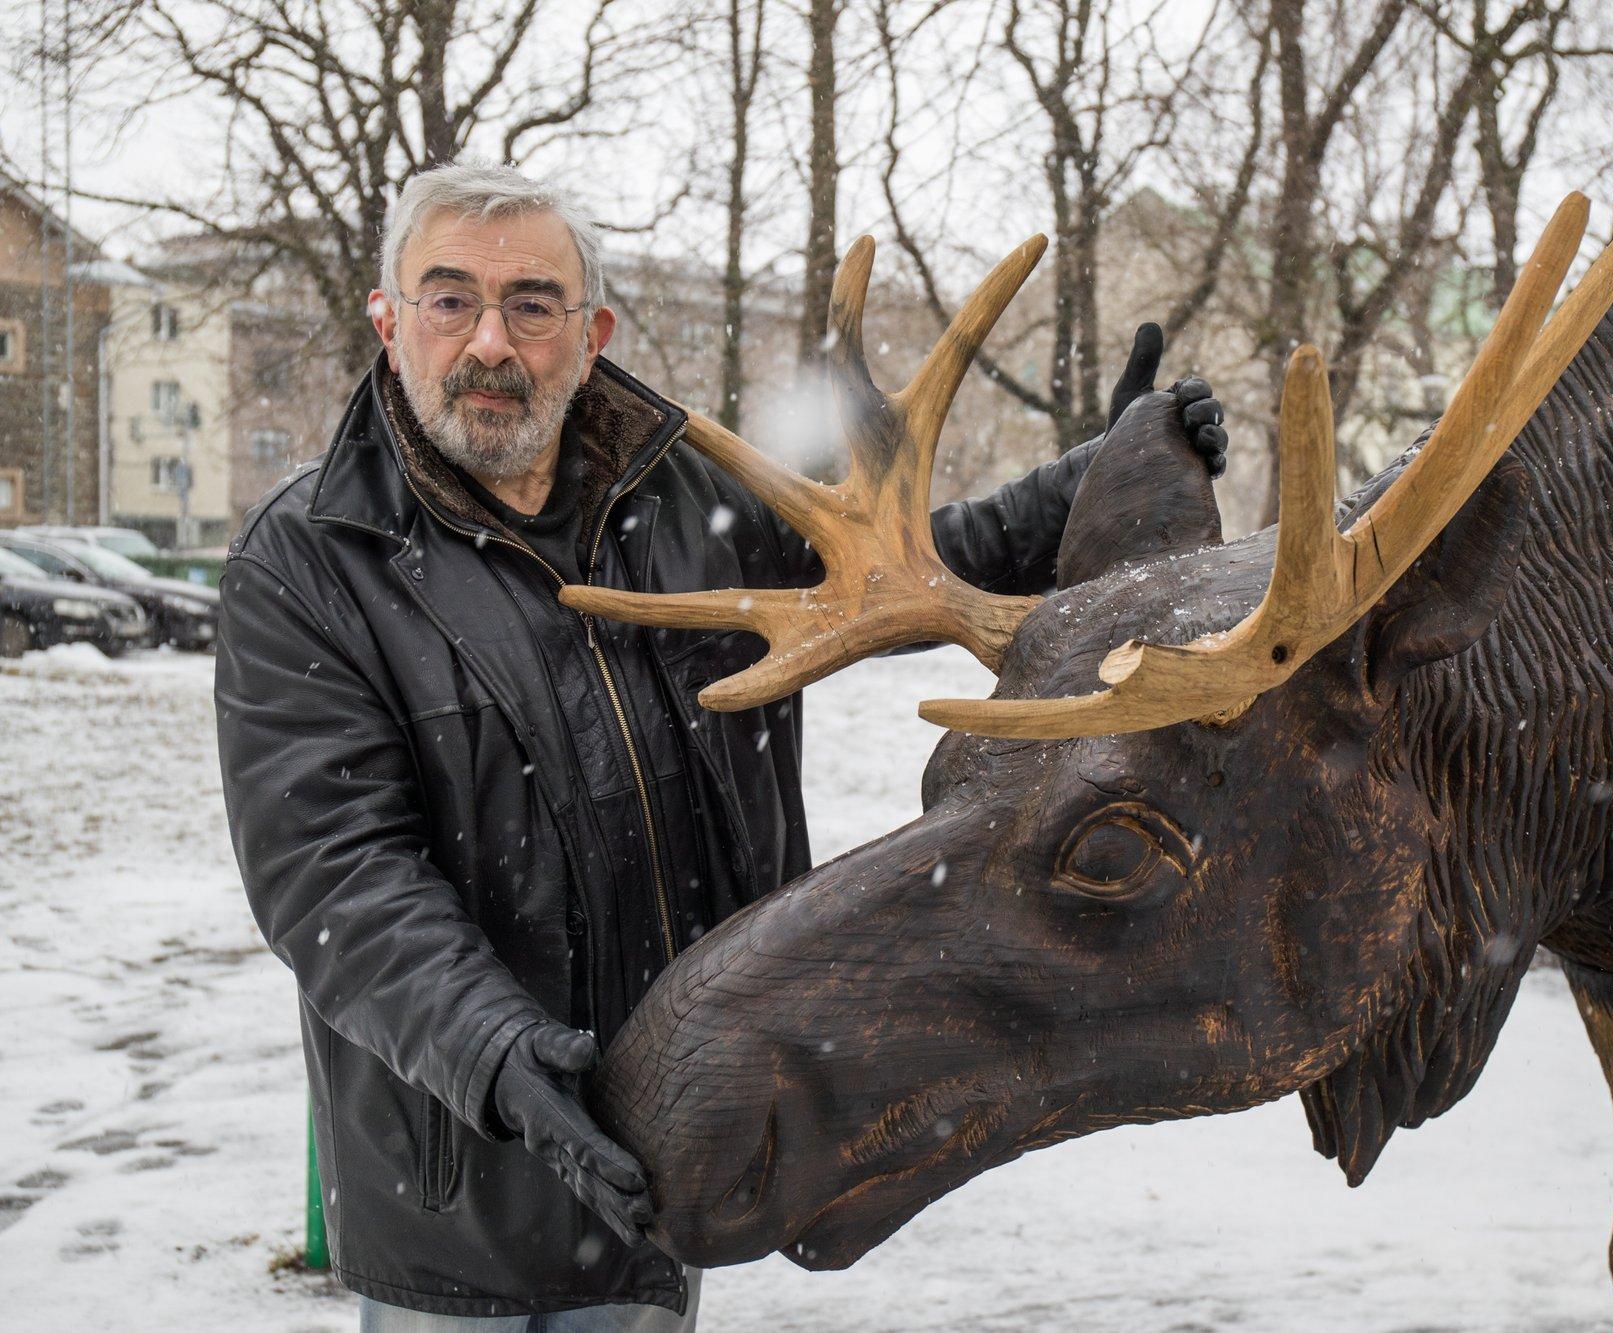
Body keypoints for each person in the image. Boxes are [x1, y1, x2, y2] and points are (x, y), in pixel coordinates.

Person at [214, 161, 1227, 1330]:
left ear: (590, 334)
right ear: (390, 324)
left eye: (532, 304)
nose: (490, 342)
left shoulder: (683, 500)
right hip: (460, 1183)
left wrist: (1080, 482)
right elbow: (333, 872)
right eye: (449, 301)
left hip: (670, 1144)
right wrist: (497, 1055)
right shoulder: (306, 562)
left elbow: (889, 577)